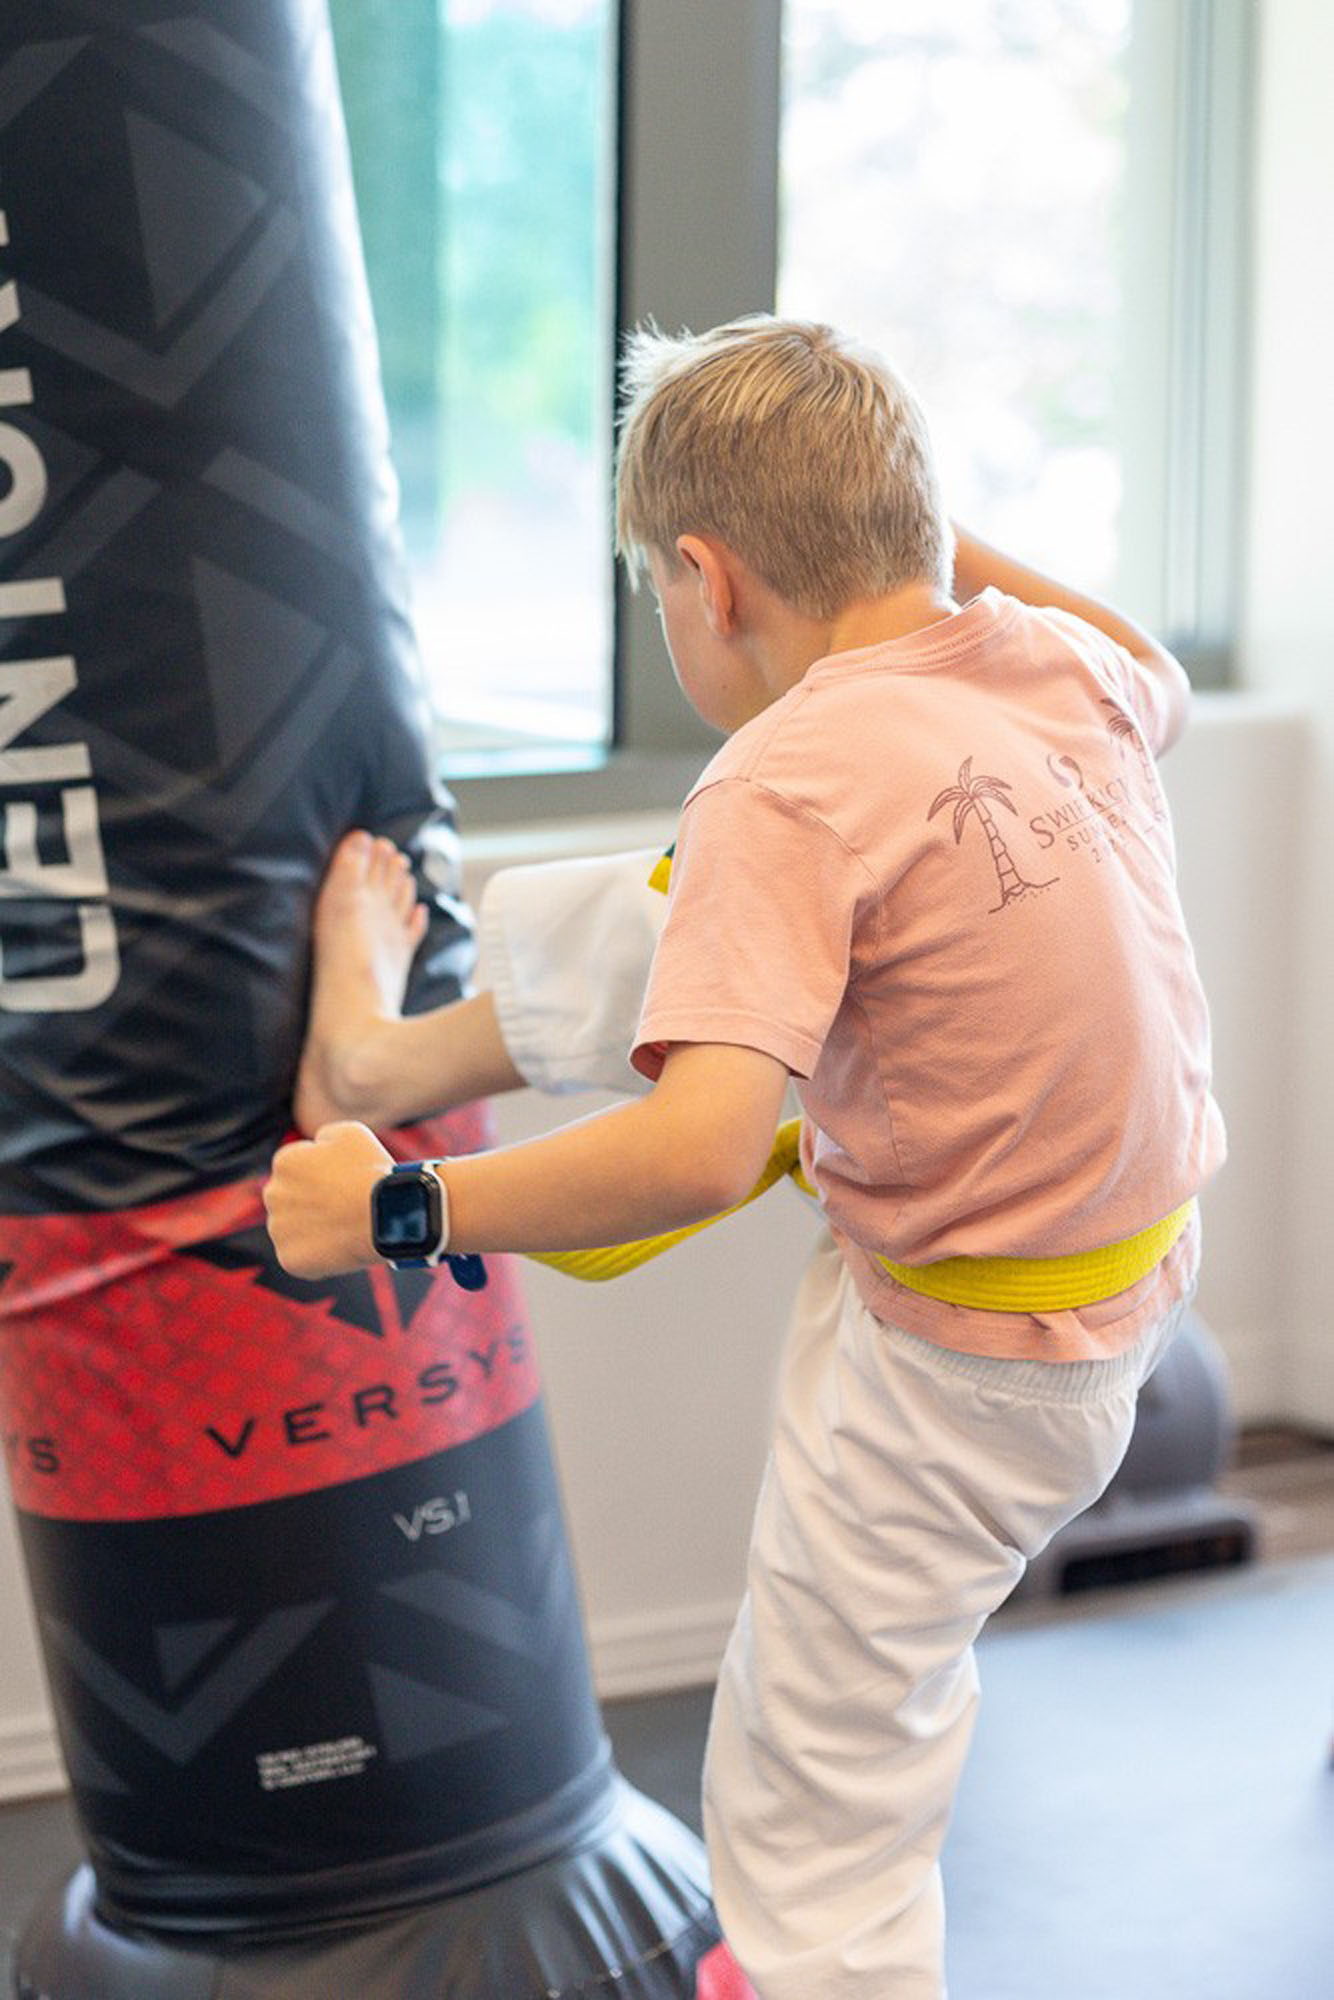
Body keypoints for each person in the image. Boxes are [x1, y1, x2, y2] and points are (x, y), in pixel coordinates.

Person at [265, 315, 1226, 1999]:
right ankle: (382, 1058)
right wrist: (906, 520)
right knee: (679, 908)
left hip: (961, 1376)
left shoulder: (784, 778)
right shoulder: (1053, 673)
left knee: (809, 1811)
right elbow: (1155, 659)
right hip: (1120, 1279)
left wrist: (396, 1206)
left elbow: (701, 1155)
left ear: (708, 580)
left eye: (657, 589)